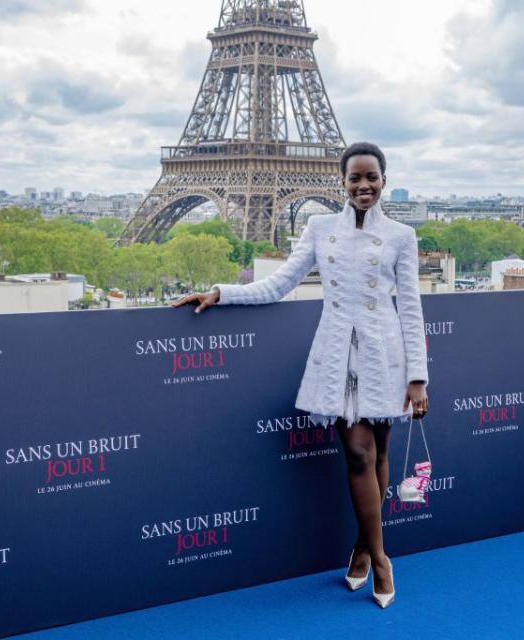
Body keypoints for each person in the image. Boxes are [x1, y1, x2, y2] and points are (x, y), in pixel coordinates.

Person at [175, 142, 429, 609]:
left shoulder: (400, 235)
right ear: (342, 182)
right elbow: (280, 283)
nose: (363, 186)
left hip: (384, 351)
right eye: (355, 178)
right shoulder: (320, 228)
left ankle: (360, 549)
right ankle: (382, 556)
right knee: (358, 452)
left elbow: (410, 307)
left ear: (384, 180)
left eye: (371, 177)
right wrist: (220, 292)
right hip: (337, 351)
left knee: (380, 453)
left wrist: (418, 376)